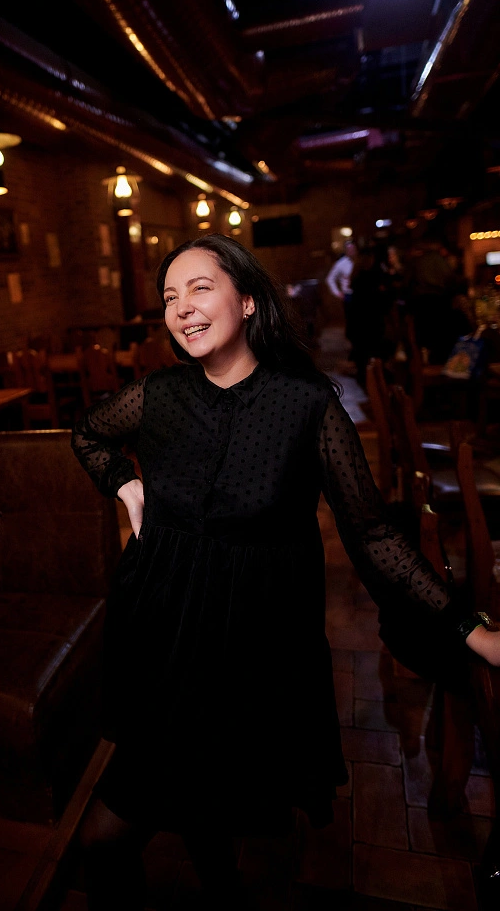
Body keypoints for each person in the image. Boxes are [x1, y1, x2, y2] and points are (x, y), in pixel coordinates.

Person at [71, 234, 499, 910]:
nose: (181, 308)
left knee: (217, 803)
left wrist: (470, 629)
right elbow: (88, 432)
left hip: (254, 649)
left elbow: (371, 532)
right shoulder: (157, 395)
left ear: (247, 301)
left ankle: (223, 885)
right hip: (163, 633)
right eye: (170, 297)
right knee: (107, 837)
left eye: (200, 288)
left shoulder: (305, 405)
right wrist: (125, 483)